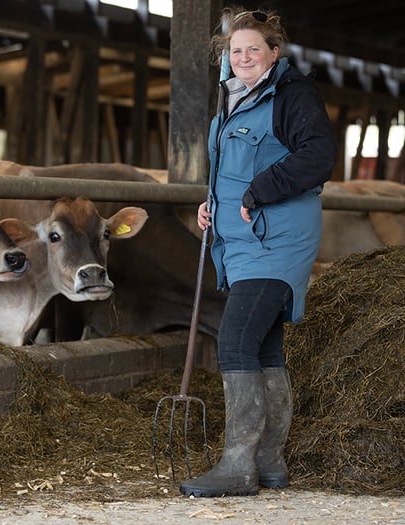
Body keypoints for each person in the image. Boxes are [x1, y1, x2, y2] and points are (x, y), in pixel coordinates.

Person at [179, 6, 337, 498]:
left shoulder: (291, 95)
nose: (244, 56)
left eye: (254, 48)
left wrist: (257, 192)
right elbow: (232, 167)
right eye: (235, 49)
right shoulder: (232, 100)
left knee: (234, 343)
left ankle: (237, 465)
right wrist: (216, 203)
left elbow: (317, 155)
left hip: (276, 239)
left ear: (273, 54)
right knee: (264, 347)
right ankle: (269, 463)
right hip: (244, 243)